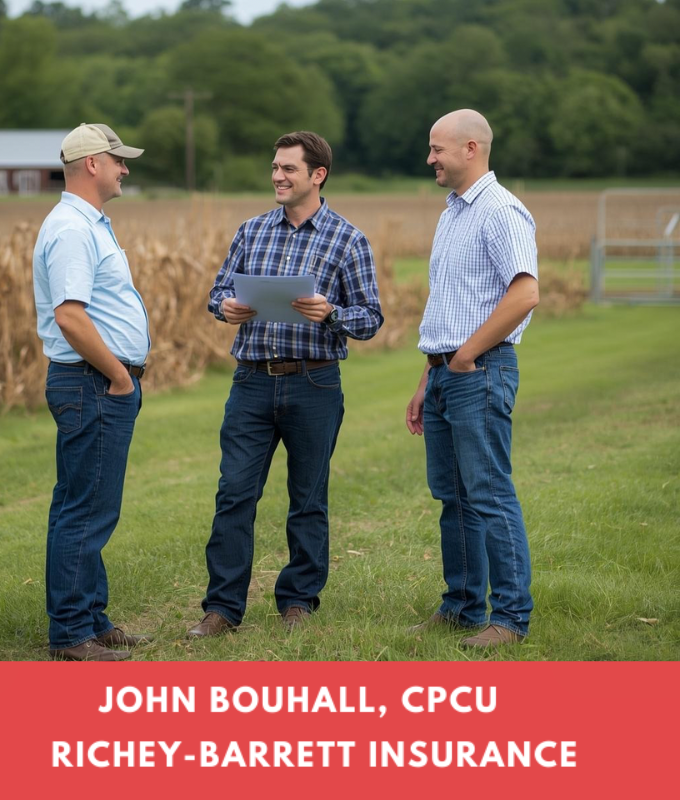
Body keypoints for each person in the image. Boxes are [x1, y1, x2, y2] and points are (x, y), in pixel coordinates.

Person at [188, 131, 383, 637]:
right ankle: (222, 609)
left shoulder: (348, 239)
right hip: (251, 382)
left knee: (308, 496)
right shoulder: (251, 232)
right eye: (275, 167)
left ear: (317, 175)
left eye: (288, 169)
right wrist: (226, 307)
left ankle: (298, 601)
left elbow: (370, 319)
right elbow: (217, 294)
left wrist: (331, 313)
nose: (277, 176)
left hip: (314, 385)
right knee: (234, 494)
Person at [405, 109, 539, 648]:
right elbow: (450, 306)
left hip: (479, 371)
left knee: (489, 495)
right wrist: (428, 378)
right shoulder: (454, 213)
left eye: (438, 148)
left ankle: (509, 619)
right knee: (453, 496)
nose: (430, 158)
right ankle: (461, 606)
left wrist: (464, 358)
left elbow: (525, 294)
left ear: (470, 149)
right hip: (444, 374)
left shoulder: (501, 211)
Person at [33, 123, 152, 661]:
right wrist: (120, 376)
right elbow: (70, 318)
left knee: (85, 503)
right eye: (118, 160)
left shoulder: (87, 224)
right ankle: (72, 634)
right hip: (93, 383)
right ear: (92, 165)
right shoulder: (73, 229)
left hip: (92, 383)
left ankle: (91, 616)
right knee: (86, 509)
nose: (125, 169)